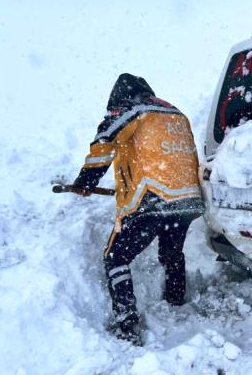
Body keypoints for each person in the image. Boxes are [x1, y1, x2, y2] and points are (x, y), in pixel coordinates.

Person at [71, 73, 204, 345]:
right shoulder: (175, 113)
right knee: (172, 253)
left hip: (153, 200)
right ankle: (176, 303)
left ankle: (126, 323)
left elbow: (104, 141)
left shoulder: (132, 110)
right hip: (187, 200)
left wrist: (86, 182)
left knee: (115, 257)